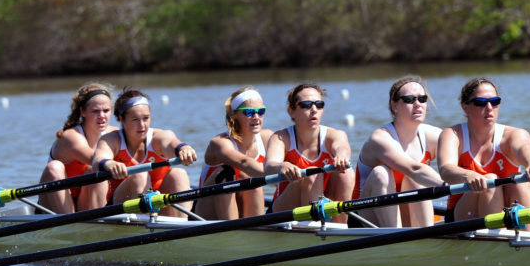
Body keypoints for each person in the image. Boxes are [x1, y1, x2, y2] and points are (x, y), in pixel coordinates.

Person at [438, 77, 530, 230]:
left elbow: (525, 149)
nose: (489, 107)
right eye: (481, 102)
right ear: (465, 107)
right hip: (462, 216)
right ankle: (497, 240)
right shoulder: (452, 134)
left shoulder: (514, 135)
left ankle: (528, 240)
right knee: (490, 181)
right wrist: (470, 176)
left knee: (519, 181)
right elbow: (445, 169)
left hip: (508, 211)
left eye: (495, 101)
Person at [90, 88, 197, 219]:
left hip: (158, 201)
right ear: (121, 119)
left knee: (178, 174)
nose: (142, 125)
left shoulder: (159, 136)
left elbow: (171, 143)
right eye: (135, 119)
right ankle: (147, 229)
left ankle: (182, 228)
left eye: (146, 118)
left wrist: (183, 149)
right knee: (140, 175)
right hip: (121, 206)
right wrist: (109, 164)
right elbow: (97, 161)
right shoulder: (111, 140)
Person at [354, 77, 443, 227]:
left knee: (416, 180)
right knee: (382, 173)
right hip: (367, 218)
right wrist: (446, 185)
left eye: (422, 99)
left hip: (406, 214)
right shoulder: (380, 138)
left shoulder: (433, 136)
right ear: (394, 106)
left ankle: (426, 237)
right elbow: (414, 169)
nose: (417, 104)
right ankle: (395, 239)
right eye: (409, 99)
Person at [265, 83, 353, 223]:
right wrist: (281, 166)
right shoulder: (281, 137)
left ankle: (338, 228)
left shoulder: (335, 135)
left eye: (319, 104)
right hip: (285, 210)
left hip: (322, 203)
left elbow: (342, 147)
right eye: (306, 105)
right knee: (312, 174)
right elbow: (269, 166)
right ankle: (313, 230)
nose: (314, 109)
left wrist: (341, 156)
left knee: (346, 173)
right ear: (291, 111)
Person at [38, 83, 118, 213]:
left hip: (85, 204)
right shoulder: (71, 137)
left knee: (93, 170)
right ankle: (69, 224)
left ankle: (96, 224)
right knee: (55, 167)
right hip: (53, 207)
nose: (102, 116)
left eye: (106, 111)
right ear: (83, 112)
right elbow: (95, 159)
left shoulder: (115, 134)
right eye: (95, 111)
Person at [196, 86, 273, 220]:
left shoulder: (268, 138)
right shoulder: (220, 143)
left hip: (244, 206)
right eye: (249, 112)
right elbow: (244, 162)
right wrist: (280, 172)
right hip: (206, 213)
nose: (256, 117)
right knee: (228, 173)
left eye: (260, 111)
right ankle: (232, 233)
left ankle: (256, 230)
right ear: (233, 114)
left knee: (252, 181)